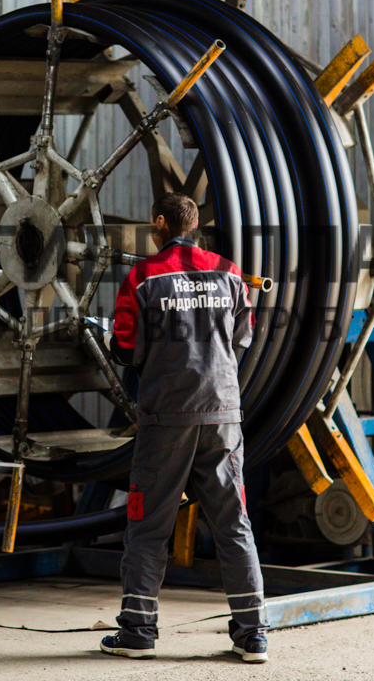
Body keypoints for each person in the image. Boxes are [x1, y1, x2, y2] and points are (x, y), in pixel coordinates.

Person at [99, 191, 268, 662]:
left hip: (166, 416)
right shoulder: (231, 272)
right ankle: (252, 635)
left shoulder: (142, 277)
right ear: (193, 226)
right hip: (222, 415)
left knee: (147, 525)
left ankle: (138, 631)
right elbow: (241, 339)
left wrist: (110, 338)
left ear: (159, 223)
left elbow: (126, 347)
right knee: (234, 523)